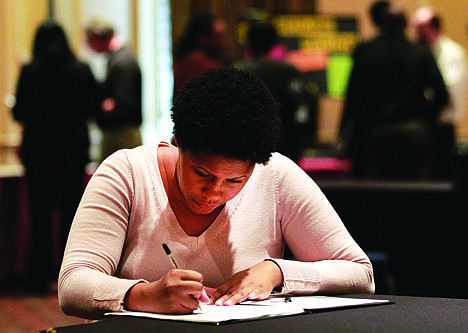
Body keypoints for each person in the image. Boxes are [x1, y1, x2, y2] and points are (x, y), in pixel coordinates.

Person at [58, 68, 374, 320]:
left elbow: (360, 273)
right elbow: (73, 285)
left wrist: (276, 270)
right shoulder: (127, 174)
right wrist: (144, 295)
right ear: (177, 142)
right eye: (202, 174)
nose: (214, 193)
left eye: (235, 181)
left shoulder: (276, 175)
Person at [12, 19, 100, 293]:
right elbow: (93, 108)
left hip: (39, 151)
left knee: (39, 216)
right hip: (71, 151)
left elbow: (19, 112)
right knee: (72, 216)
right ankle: (71, 275)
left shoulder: (30, 70)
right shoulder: (80, 69)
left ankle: (38, 276)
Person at [339, 1, 449, 179]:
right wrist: (424, 118)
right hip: (413, 134)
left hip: (375, 134)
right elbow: (442, 95)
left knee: (377, 196)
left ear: (380, 23)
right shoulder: (419, 52)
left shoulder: (366, 51)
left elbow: (353, 97)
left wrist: (343, 134)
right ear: (405, 24)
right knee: (414, 194)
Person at [235, 22, 318, 162]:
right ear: (274, 42)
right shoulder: (288, 71)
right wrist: (306, 136)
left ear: (248, 43)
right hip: (285, 143)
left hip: (248, 144)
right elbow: (303, 107)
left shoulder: (239, 70)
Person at [412, 6, 468, 178]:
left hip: (442, 126)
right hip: (421, 126)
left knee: (440, 176)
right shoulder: (418, 52)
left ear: (435, 28)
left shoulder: (453, 54)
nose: (417, 34)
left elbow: (447, 90)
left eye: (421, 29)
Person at [85, 18, 143, 162]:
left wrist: (101, 106)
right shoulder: (120, 59)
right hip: (121, 133)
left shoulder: (122, 62)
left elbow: (122, 103)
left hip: (121, 135)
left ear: (97, 38)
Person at [173, 15, 228, 98]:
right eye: (219, 37)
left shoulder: (183, 63)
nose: (224, 43)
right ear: (203, 38)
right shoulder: (207, 68)